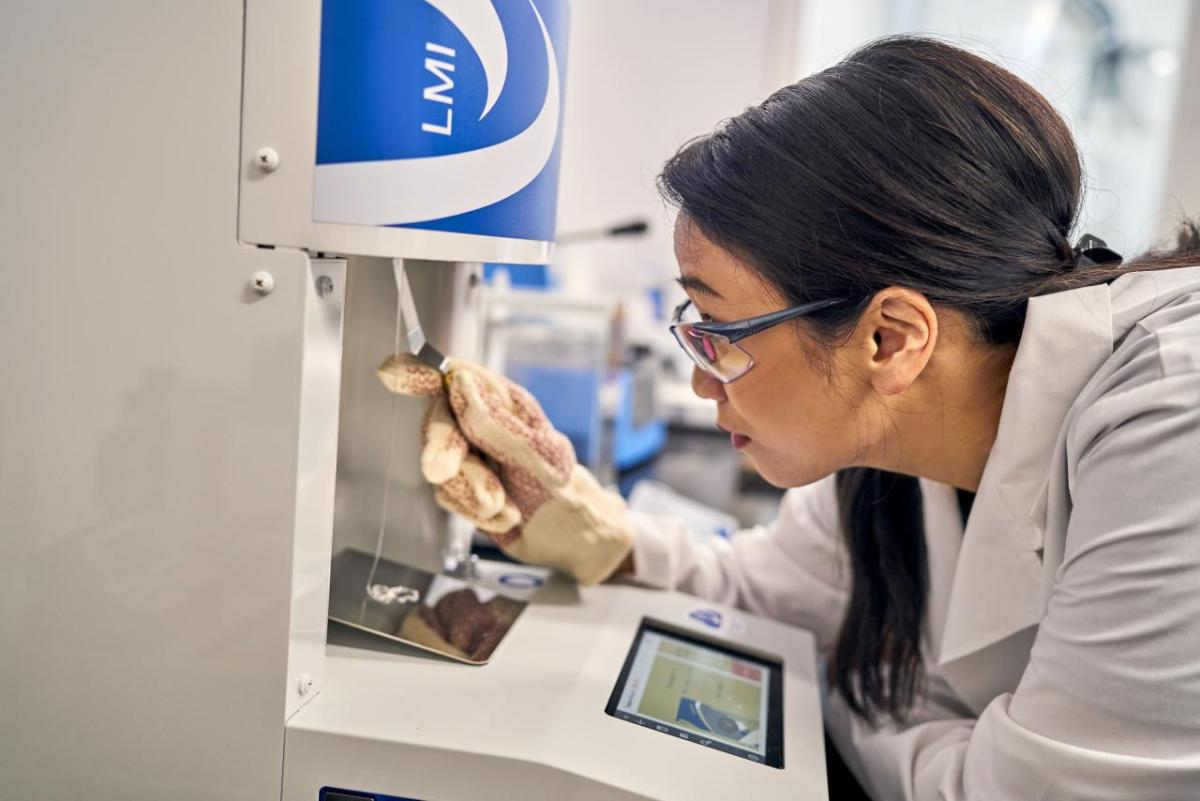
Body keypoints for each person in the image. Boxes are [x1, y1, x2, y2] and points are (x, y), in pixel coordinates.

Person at [379, 36, 1200, 800]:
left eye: (717, 333)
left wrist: (851, 686)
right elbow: (765, 593)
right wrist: (585, 526)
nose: (704, 384)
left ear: (890, 337)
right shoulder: (901, 448)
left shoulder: (1171, 419)